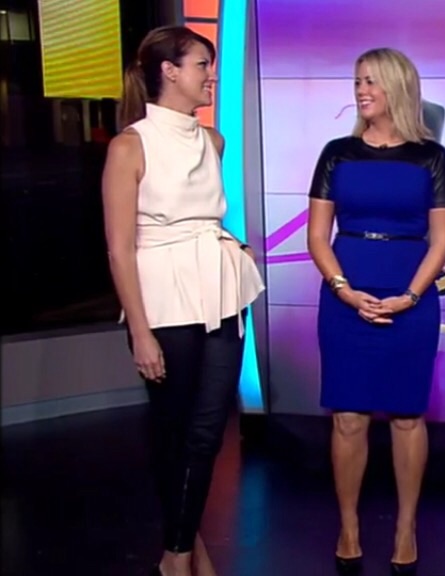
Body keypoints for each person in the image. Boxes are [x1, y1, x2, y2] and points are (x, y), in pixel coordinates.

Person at [102, 25, 265, 576]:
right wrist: (140, 332)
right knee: (173, 429)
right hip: (163, 296)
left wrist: (232, 246)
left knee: (208, 430)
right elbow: (120, 248)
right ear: (169, 72)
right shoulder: (130, 145)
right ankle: (182, 551)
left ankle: (180, 551)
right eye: (202, 65)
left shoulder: (212, 141)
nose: (211, 76)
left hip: (220, 287)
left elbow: (205, 215)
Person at [306, 47, 445, 576]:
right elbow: (317, 236)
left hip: (410, 296)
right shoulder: (337, 153)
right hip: (345, 294)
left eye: (370, 81)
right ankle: (348, 527)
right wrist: (344, 290)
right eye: (357, 81)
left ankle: (405, 528)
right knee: (348, 416)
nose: (361, 90)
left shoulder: (431, 158)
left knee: (406, 415)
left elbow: (441, 242)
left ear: (397, 86)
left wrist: (411, 296)